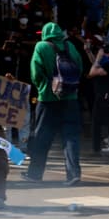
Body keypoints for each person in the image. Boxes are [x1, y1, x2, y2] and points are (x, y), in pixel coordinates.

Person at [23, 21, 84, 185]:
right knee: (71, 138)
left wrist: (44, 88)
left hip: (48, 100)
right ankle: (73, 175)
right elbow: (80, 67)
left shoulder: (41, 47)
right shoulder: (69, 45)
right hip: (70, 99)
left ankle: (34, 174)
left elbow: (35, 73)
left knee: (42, 137)